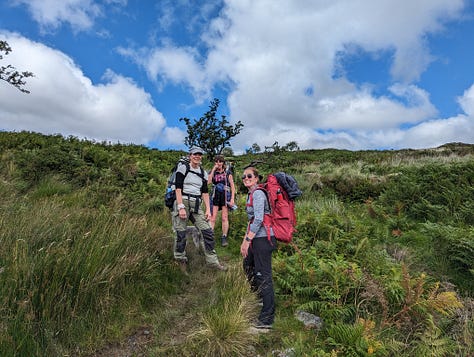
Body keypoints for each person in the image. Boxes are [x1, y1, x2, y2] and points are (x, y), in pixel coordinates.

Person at [172, 146, 226, 271]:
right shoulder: (183, 168)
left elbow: (205, 193)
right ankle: (180, 260)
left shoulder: (203, 173)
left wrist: (208, 209)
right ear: (190, 155)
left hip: (196, 203)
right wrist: (180, 207)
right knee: (181, 233)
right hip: (183, 201)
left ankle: (212, 262)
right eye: (195, 154)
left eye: (200, 154)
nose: (197, 156)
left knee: (207, 231)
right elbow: (178, 188)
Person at [240, 166, 276, 329]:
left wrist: (248, 240)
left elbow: (259, 219)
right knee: (247, 265)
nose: (246, 178)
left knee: (263, 275)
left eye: (249, 176)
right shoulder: (251, 194)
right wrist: (244, 241)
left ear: (256, 178)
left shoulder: (259, 194)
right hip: (255, 238)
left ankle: (267, 319)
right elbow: (251, 219)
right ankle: (261, 297)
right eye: (243, 177)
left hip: (263, 239)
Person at [207, 154, 236, 247]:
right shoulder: (213, 172)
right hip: (216, 195)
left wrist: (232, 198)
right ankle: (210, 236)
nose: (218, 163)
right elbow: (209, 182)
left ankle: (224, 236)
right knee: (213, 217)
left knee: (224, 217)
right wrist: (213, 169)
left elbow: (232, 186)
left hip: (225, 195)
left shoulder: (227, 172)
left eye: (220, 161)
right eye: (216, 161)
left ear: (223, 162)